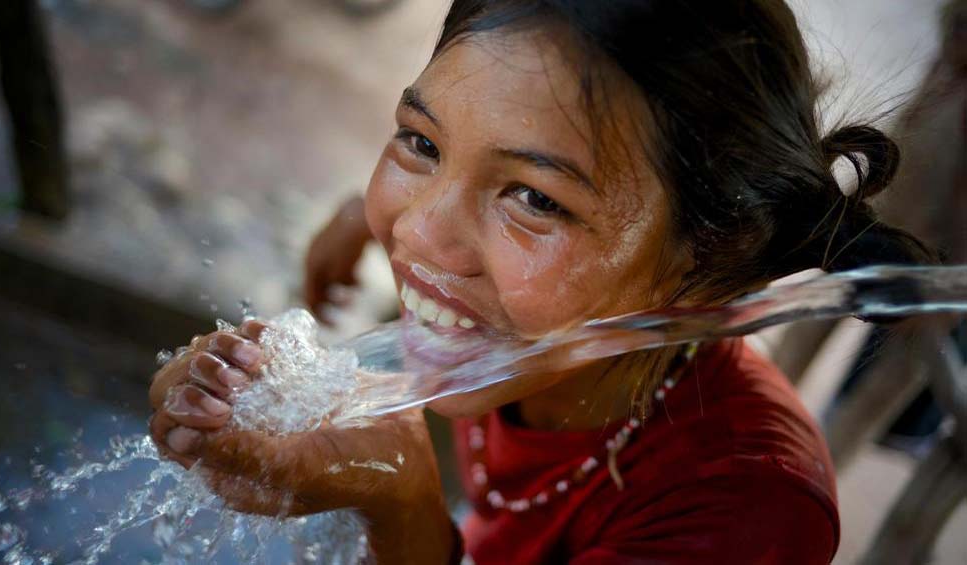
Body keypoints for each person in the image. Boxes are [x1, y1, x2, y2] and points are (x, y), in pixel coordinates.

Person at [148, 1, 932, 563]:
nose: (418, 231)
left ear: (705, 258)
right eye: (421, 141)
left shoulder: (746, 520)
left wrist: (404, 498)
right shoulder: (530, 332)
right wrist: (360, 215)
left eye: (535, 198)